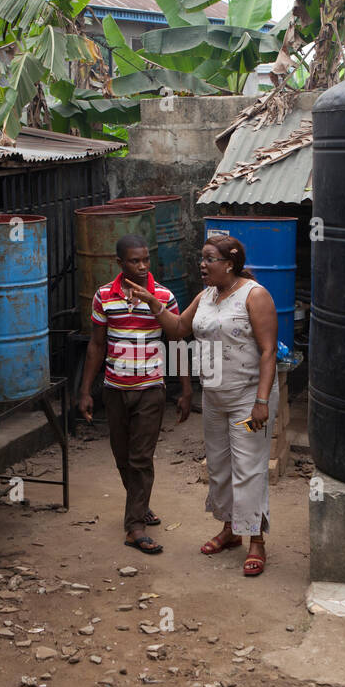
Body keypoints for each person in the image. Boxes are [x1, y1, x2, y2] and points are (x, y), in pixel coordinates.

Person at [126, 234, 278, 576]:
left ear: (229, 263)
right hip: (214, 396)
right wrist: (153, 303)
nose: (202, 264)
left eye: (209, 259)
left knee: (248, 468)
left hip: (248, 397)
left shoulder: (255, 296)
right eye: (202, 258)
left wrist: (262, 401)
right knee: (220, 467)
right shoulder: (206, 297)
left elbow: (268, 351)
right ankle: (230, 530)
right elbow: (179, 331)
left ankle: (255, 540)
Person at [77, 234, 192, 555]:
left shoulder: (163, 296)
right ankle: (140, 505)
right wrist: (85, 391)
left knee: (141, 458)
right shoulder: (103, 297)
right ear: (120, 263)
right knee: (122, 455)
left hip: (150, 390)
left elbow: (177, 341)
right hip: (114, 390)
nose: (142, 266)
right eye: (134, 261)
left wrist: (185, 389)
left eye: (145, 260)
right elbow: (97, 345)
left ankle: (135, 527)